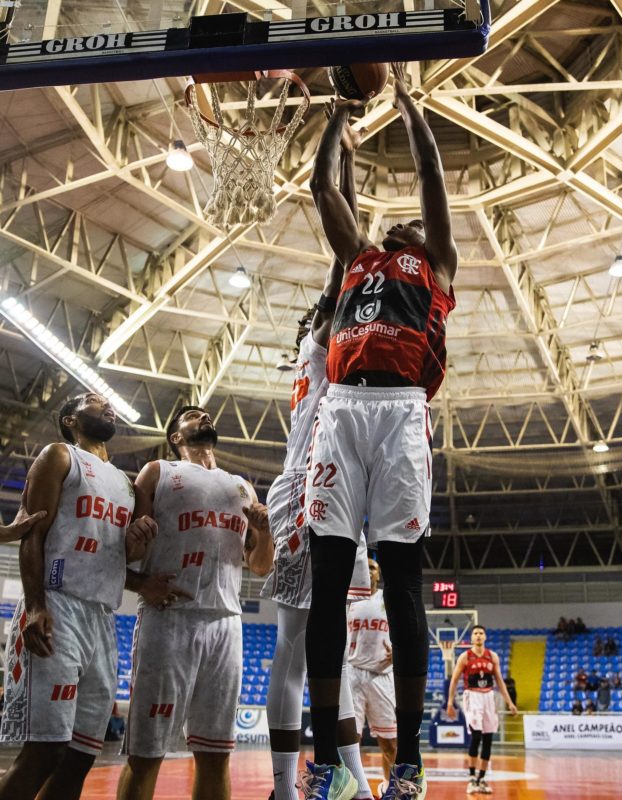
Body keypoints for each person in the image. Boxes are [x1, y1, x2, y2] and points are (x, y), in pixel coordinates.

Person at [304, 60, 457, 799]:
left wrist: (407, 102)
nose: (399, 220)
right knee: (330, 581)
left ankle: (409, 763)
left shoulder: (437, 264)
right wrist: (341, 109)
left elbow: (430, 172)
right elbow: (324, 187)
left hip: (399, 413)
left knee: (401, 582)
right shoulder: (357, 259)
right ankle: (327, 758)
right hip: (342, 409)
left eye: (412, 224)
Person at [262, 113, 373, 800]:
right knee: (297, 646)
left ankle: (354, 784)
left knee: (328, 651)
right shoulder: (324, 337)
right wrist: (340, 133)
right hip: (307, 487)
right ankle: (282, 785)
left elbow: (351, 246)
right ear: (324, 318)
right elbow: (346, 245)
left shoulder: (330, 342)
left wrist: (354, 165)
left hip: (333, 490)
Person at [0, 392, 155, 800]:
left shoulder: (125, 482)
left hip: (102, 618)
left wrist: (136, 542)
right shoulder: (59, 456)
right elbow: (31, 533)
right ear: (70, 419)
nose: (107, 404)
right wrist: (36, 605)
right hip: (57, 604)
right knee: (45, 751)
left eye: (109, 401)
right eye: (93, 400)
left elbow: (121, 557)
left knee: (80, 756)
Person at [117, 405, 274, 800]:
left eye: (205, 413)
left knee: (216, 754)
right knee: (146, 752)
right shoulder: (159, 472)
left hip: (226, 621)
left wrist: (264, 531)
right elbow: (127, 547)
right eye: (191, 414)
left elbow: (259, 565)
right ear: (176, 437)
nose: (202, 416)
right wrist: (139, 580)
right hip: (170, 617)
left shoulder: (242, 487)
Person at [447, 625, 517, 796]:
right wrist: (450, 702)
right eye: (475, 633)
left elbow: (500, 681)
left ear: (485, 637)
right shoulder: (465, 657)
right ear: (471, 638)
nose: (478, 636)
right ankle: (471, 778)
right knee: (476, 735)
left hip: (489, 697)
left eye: (481, 633)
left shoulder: (492, 656)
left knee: (488, 739)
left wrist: (510, 702)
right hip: (472, 696)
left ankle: (482, 779)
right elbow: (454, 680)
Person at [347, 558, 397, 795]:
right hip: (353, 674)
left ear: (379, 574)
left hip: (381, 675)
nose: (368, 570)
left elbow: (406, 631)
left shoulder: (389, 599)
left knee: (390, 743)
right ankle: (354, 790)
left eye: (373, 567)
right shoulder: (348, 598)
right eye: (364, 567)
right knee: (350, 740)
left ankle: (390, 788)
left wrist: (398, 652)